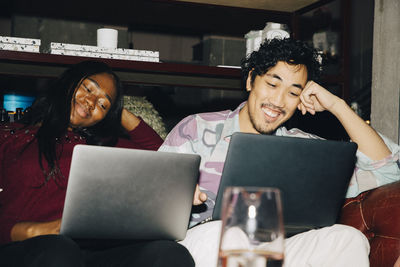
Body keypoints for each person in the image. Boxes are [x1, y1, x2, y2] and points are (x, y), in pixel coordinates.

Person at [159, 38, 400, 267]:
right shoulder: (197, 128)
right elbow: (152, 196)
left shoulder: (305, 148)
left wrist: (337, 106)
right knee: (227, 233)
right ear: (251, 80)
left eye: (293, 93)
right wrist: (176, 192)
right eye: (272, 84)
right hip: (203, 243)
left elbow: (386, 170)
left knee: (347, 238)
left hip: (278, 248)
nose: (278, 100)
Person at [0, 60, 195, 267]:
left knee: (169, 254)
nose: (91, 101)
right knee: (60, 251)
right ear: (68, 82)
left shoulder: (102, 147)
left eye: (103, 104)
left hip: (93, 252)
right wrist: (34, 230)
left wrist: (117, 112)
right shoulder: (9, 136)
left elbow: (164, 158)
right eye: (88, 88)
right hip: (29, 247)